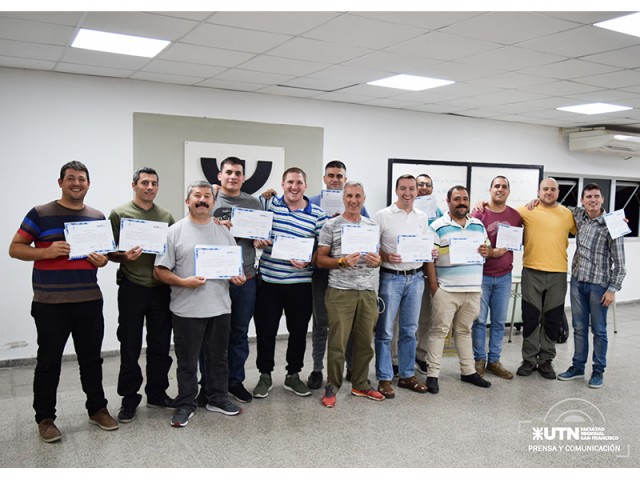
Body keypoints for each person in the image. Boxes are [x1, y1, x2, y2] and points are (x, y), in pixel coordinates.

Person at [9, 161, 118, 442]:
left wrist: (103, 260)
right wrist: (46, 252)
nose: (76, 183)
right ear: (60, 182)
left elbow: (104, 255)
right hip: (50, 302)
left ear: (88, 184)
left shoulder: (97, 216)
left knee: (92, 360)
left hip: (88, 300)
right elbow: (15, 248)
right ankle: (45, 418)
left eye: (81, 179)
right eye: (70, 178)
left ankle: (97, 409)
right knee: (49, 362)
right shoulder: (40, 213)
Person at [154, 181, 246, 428]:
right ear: (188, 201)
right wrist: (184, 282)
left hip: (220, 307)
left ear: (213, 203)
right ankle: (185, 403)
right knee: (187, 361)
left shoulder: (224, 232)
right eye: (197, 196)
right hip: (186, 310)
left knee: (218, 358)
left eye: (207, 196)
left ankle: (217, 398)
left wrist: (239, 277)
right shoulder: (174, 232)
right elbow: (160, 271)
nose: (203, 200)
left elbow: (234, 269)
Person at [252, 168, 327, 399]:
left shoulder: (318, 214)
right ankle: (265, 375)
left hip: (300, 284)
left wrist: (309, 262)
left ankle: (292, 375)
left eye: (299, 182)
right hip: (268, 282)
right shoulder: (268, 205)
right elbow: (251, 227)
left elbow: (321, 250)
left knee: (297, 332)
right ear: (283, 184)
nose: (295, 186)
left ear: (306, 186)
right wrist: (257, 239)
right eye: (290, 182)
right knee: (266, 332)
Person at [108, 167, 176, 423]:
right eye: (145, 182)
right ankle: (129, 398)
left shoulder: (165, 215)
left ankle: (157, 393)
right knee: (130, 345)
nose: (150, 187)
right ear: (134, 185)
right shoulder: (119, 213)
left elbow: (172, 252)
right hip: (132, 287)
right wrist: (123, 256)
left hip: (160, 289)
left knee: (160, 345)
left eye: (154, 183)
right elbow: (108, 252)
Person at [315, 181, 385, 407]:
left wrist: (377, 262)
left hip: (366, 292)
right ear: (343, 199)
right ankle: (332, 385)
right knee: (338, 342)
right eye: (349, 196)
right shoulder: (331, 225)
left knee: (365, 342)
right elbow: (320, 260)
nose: (353, 200)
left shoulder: (371, 225)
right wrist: (342, 262)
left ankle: (360, 384)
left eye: (358, 196)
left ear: (364, 199)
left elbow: (377, 258)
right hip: (340, 292)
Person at [200, 156, 263, 404]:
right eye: (229, 172)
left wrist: (260, 240)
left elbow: (259, 236)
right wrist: (214, 225)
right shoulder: (208, 200)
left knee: (239, 334)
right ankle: (207, 385)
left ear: (243, 177)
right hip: (215, 279)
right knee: (211, 335)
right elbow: (195, 231)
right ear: (219, 176)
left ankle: (234, 382)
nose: (233, 177)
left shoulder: (254, 203)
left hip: (245, 277)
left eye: (238, 173)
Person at [306, 160, 369, 389]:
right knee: (321, 323)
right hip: (321, 271)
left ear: (344, 180)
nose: (334, 179)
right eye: (330, 175)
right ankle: (316, 369)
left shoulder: (356, 205)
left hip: (350, 276)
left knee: (349, 325)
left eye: (339, 176)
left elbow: (369, 234)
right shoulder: (311, 203)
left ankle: (351, 368)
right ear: (324, 178)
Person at [424, 185, 492, 394]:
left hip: (472, 289)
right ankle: (433, 374)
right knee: (439, 332)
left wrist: (486, 250)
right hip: (447, 290)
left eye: (465, 198)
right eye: (457, 199)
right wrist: (435, 287)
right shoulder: (436, 226)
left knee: (464, 331)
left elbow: (486, 250)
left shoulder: (478, 225)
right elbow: (429, 259)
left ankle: (468, 371)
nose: (461, 202)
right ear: (448, 202)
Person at [557, 183, 626, 388]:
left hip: (599, 286)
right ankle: (578, 367)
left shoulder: (613, 223)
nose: (592, 200)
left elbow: (620, 263)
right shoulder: (579, 215)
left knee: (599, 330)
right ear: (582, 201)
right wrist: (536, 201)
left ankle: (598, 371)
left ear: (602, 200)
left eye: (596, 196)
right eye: (588, 197)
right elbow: (558, 206)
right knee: (579, 328)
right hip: (578, 282)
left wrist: (613, 289)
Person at [374, 174, 429, 399]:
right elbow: (371, 248)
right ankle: (384, 378)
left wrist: (430, 252)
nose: (408, 193)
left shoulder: (422, 216)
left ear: (417, 191)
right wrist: (386, 255)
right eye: (403, 188)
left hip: (415, 278)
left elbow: (423, 246)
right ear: (396, 190)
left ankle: (407, 375)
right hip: (391, 278)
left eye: (412, 189)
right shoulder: (382, 216)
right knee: (385, 331)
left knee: (409, 330)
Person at [515, 178, 576, 379]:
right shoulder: (526, 210)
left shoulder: (567, 214)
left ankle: (546, 360)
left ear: (558, 192)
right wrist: (481, 204)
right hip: (532, 270)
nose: (549, 192)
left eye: (553, 189)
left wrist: (617, 222)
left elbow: (590, 223)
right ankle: (529, 359)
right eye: (545, 189)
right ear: (538, 191)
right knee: (531, 316)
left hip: (558, 273)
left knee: (552, 317)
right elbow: (502, 214)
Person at [392, 173, 444, 375]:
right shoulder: (399, 210)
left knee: (424, 319)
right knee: (400, 320)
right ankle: (396, 358)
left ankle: (420, 356)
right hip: (405, 270)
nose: (423, 188)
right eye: (419, 184)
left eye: (427, 185)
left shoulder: (437, 212)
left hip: (429, 272)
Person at [470, 176, 522, 380]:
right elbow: (470, 241)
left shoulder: (516, 216)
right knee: (480, 321)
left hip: (504, 277)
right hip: (481, 275)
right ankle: (479, 360)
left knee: (499, 322)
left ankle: (494, 361)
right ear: (490, 189)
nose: (500, 189)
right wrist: (491, 253)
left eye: (504, 187)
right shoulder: (479, 213)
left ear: (509, 191)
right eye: (496, 186)